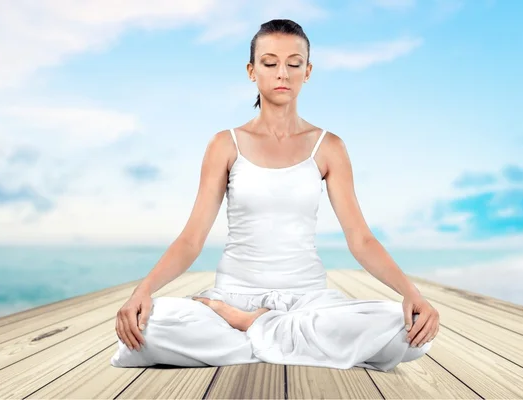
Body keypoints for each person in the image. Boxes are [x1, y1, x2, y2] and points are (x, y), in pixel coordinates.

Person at [111, 18, 439, 371]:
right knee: (150, 326)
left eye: (294, 64)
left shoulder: (329, 147)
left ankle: (250, 326)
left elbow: (360, 239)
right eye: (270, 63)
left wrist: (412, 294)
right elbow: (192, 240)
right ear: (252, 71)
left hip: (309, 301)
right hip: (232, 295)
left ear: (308, 71)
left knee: (407, 331)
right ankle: (287, 339)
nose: (282, 73)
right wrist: (142, 291)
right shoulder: (226, 144)